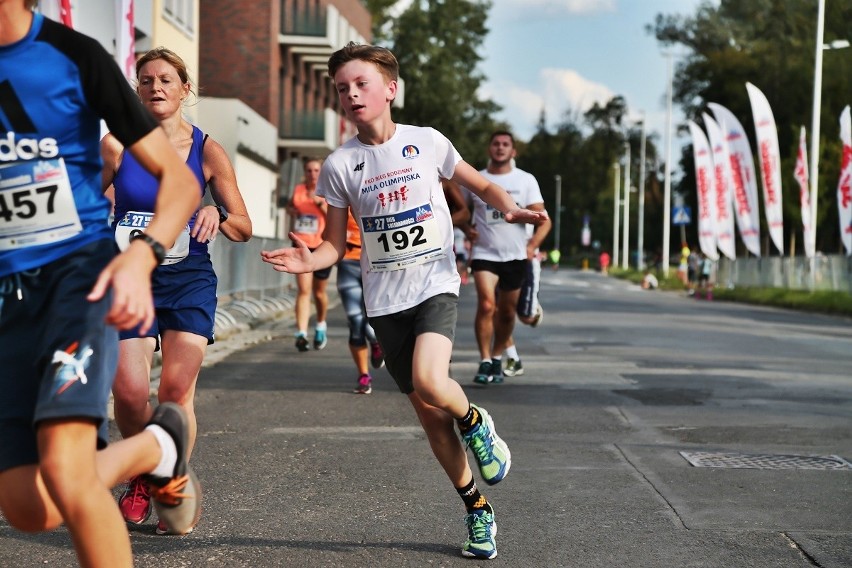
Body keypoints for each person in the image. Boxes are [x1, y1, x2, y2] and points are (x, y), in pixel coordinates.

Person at [261, 42, 548, 559]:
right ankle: (476, 509)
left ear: (390, 89)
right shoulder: (340, 165)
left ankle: (477, 421)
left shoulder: (427, 142)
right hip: (385, 301)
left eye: (361, 84)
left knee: (430, 380)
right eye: (342, 88)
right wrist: (310, 261)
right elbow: (331, 241)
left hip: (435, 285)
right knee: (430, 415)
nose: (351, 94)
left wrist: (511, 208)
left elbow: (480, 184)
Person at [0, 4, 202, 566]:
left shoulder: (75, 56)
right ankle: (158, 445)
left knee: (68, 470)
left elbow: (180, 187)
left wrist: (141, 257)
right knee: (29, 509)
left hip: (76, 280)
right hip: (4, 300)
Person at [101, 47, 252, 534]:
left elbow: (244, 225)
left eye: (166, 79)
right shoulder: (116, 145)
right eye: (146, 80)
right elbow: (89, 202)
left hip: (186, 278)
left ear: (186, 88)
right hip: (132, 277)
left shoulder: (207, 150)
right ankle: (146, 473)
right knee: (127, 393)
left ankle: (170, 481)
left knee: (174, 390)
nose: (156, 87)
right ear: (137, 89)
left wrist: (218, 213)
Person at [462, 131, 551, 386]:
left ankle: (498, 356)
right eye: (496, 143)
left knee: (507, 313)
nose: (500, 148)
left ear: (513, 152)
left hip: (515, 255)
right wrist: (466, 229)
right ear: (489, 148)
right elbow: (458, 209)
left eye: (505, 144)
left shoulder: (525, 180)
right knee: (488, 305)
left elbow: (545, 220)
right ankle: (484, 359)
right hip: (484, 253)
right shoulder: (477, 178)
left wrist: (532, 245)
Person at [285, 157, 331, 351]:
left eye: (316, 170)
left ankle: (321, 325)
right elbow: (290, 206)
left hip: (321, 248)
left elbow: (336, 217)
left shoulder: (328, 191)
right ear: (305, 172)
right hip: (301, 244)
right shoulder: (298, 190)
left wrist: (319, 205)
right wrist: (292, 211)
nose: (313, 174)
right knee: (304, 291)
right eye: (309, 170)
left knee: (319, 292)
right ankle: (301, 334)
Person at [338, 209, 384, 394]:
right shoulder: (339, 199)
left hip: (376, 263)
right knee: (355, 320)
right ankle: (363, 375)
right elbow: (328, 235)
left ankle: (375, 340)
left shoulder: (378, 193)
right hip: (348, 263)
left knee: (374, 316)